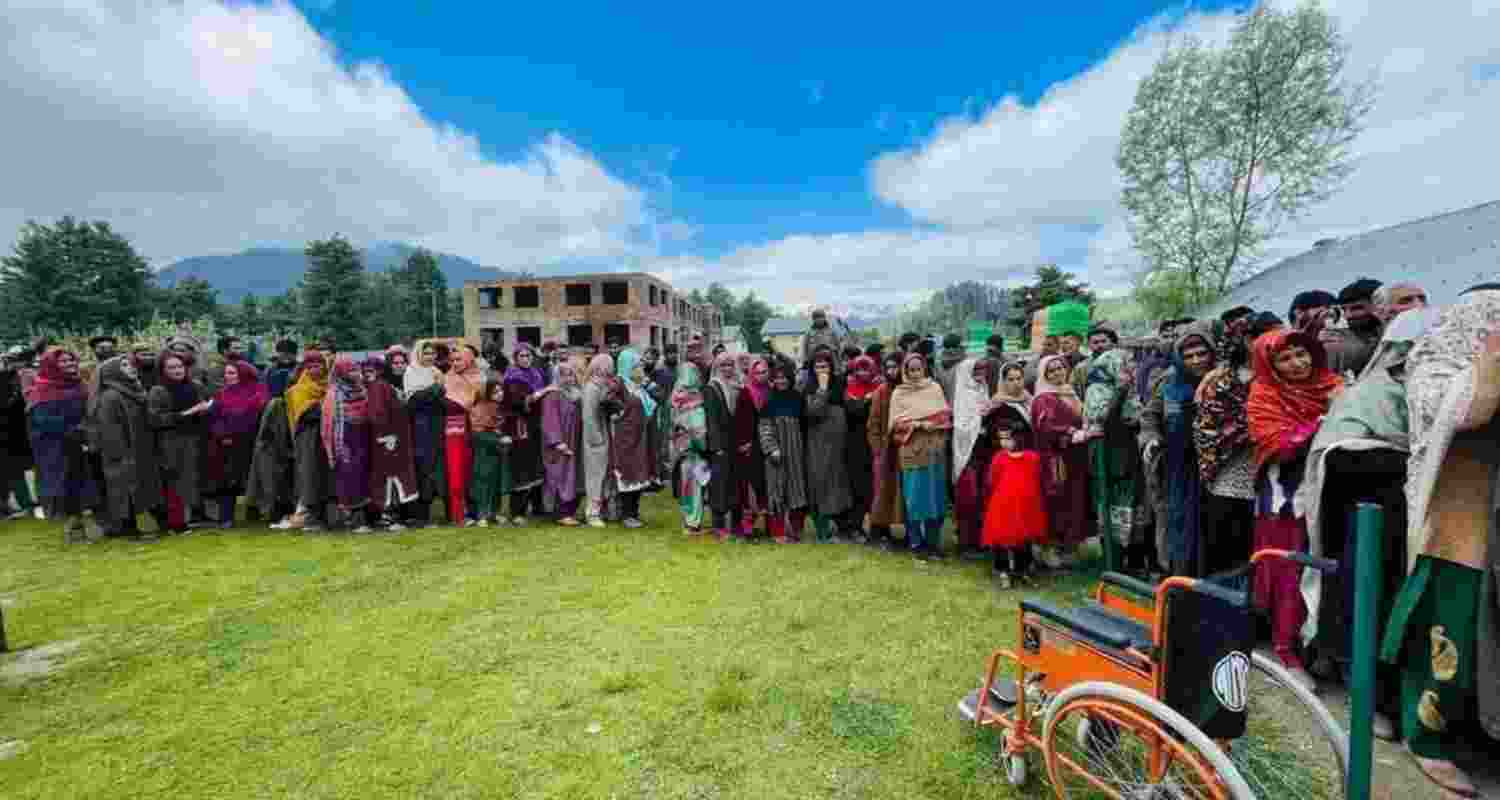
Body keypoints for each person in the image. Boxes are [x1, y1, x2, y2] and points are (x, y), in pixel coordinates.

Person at [1380, 289, 1500, 796]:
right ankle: (1428, 738)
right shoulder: (1436, 362)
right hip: (1459, 526)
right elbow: (1466, 412)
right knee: (1450, 641)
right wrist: (1493, 358)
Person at [1247, 327, 1343, 689]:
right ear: (1269, 365)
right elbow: (1278, 445)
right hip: (1287, 498)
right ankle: (1286, 651)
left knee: (1328, 569)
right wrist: (1324, 421)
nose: (1297, 362)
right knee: (1290, 573)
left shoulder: (1333, 384)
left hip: (1332, 491)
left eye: (1302, 353)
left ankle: (1319, 649)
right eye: (1284, 358)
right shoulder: (1263, 396)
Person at [1140, 322, 1217, 577]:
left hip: (1216, 467)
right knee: (1180, 523)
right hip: (1178, 467)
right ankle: (1180, 579)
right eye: (1188, 356)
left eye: (1201, 354)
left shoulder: (1223, 381)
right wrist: (1150, 438)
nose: (1195, 361)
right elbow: (1150, 416)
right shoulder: (1169, 384)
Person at [1193, 318, 1258, 579]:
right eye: (1252, 337)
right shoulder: (1221, 380)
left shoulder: (1278, 374)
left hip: (1267, 475)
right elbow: (1208, 428)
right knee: (1228, 542)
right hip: (1229, 472)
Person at [1084, 348, 1148, 574]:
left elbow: (1136, 418)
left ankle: (1134, 562)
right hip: (1108, 456)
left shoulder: (1129, 390)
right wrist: (1120, 391)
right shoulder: (1097, 389)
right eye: (1125, 363)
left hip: (1128, 453)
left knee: (1133, 509)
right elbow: (1105, 421)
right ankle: (1114, 563)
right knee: (1112, 507)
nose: (1130, 368)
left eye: (1131, 363)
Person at [27, 349, 100, 542]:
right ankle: (73, 526)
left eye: (71, 360)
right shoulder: (42, 389)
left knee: (86, 482)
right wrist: (71, 431)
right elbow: (42, 420)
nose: (70, 364)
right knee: (66, 484)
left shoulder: (79, 384)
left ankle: (89, 523)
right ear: (51, 365)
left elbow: (89, 410)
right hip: (56, 447)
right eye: (64, 361)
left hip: (81, 441)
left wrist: (85, 429)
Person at [91, 356, 164, 539]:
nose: (130, 368)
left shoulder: (136, 390)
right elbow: (109, 429)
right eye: (123, 365)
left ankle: (163, 524)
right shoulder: (111, 396)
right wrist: (121, 455)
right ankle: (127, 529)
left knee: (146, 487)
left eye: (130, 364)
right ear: (112, 372)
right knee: (125, 489)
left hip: (142, 448)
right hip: (124, 453)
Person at [1031, 354, 1093, 567]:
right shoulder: (1043, 398)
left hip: (1076, 457)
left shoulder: (1070, 393)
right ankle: (1049, 548)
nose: (1058, 373)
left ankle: (1069, 547)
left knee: (1075, 500)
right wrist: (1069, 432)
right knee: (1056, 502)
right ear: (1044, 375)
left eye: (1060, 368)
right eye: (1052, 370)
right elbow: (1045, 428)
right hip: (1056, 460)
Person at [888, 352, 952, 560]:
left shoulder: (934, 388)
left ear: (924, 368)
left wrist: (935, 423)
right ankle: (917, 545)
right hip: (911, 451)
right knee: (914, 498)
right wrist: (916, 424)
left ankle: (933, 544)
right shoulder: (899, 393)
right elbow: (894, 425)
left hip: (934, 450)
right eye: (911, 370)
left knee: (936, 498)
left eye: (918, 369)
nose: (915, 374)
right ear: (905, 371)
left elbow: (945, 415)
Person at [203, 359, 268, 530]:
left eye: (232, 373)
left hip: (251, 443)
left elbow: (258, 417)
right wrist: (223, 434)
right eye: (226, 373)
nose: (227, 376)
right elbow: (213, 417)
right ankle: (226, 517)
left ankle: (254, 512)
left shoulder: (258, 393)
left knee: (253, 478)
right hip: (227, 445)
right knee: (227, 482)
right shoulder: (221, 394)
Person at [984, 418, 1046, 588]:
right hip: (1003, 506)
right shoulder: (999, 458)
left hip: (1026, 506)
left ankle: (1022, 570)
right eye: (1001, 438)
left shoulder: (1033, 458)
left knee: (1024, 540)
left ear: (1019, 438)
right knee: (1001, 540)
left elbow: (1038, 479)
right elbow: (992, 480)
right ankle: (1003, 571)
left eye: (1008, 438)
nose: (1004, 442)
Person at [803, 349, 855, 543]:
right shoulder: (809, 387)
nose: (821, 370)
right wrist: (822, 389)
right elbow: (814, 411)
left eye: (825, 366)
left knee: (837, 486)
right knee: (820, 484)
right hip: (818, 444)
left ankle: (839, 528)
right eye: (817, 366)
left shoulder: (840, 384)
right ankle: (821, 531)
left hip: (838, 444)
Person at [363, 355, 418, 529]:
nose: (367, 373)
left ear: (380, 371)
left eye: (372, 370)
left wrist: (386, 437)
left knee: (389, 478)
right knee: (389, 478)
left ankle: (390, 516)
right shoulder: (379, 386)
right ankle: (390, 516)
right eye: (365, 370)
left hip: (388, 439)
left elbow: (379, 415)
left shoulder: (379, 387)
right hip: (388, 438)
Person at [758, 357, 808, 543]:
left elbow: (805, 427)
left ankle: (796, 532)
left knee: (796, 491)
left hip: (796, 453)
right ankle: (778, 533)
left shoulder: (798, 399)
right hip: (775, 456)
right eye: (777, 378)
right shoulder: (769, 400)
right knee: (776, 491)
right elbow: (764, 428)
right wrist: (771, 449)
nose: (781, 381)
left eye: (784, 377)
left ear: (790, 378)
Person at [320, 356, 373, 532]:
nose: (355, 374)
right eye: (350, 370)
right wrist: (333, 449)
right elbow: (328, 424)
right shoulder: (334, 393)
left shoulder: (362, 389)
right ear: (341, 373)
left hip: (362, 437)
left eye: (355, 369)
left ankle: (363, 519)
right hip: (343, 440)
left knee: (362, 476)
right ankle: (351, 520)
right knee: (347, 478)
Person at [951, 357, 995, 561]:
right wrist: (981, 416)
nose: (981, 374)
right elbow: (961, 426)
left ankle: (981, 540)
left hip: (982, 451)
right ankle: (966, 543)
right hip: (967, 454)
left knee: (983, 498)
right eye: (976, 370)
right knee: (969, 498)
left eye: (983, 370)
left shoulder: (982, 389)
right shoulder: (963, 393)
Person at [500, 345, 548, 525]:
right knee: (521, 468)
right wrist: (537, 395)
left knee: (536, 466)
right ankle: (517, 512)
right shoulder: (513, 377)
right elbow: (517, 402)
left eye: (529, 355)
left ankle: (537, 507)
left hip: (535, 426)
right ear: (515, 358)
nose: (526, 358)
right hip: (518, 427)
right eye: (522, 355)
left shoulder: (536, 374)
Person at [610, 349, 656, 528]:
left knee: (639, 474)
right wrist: (618, 412)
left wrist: (646, 383)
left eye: (640, 366)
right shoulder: (619, 382)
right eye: (636, 366)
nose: (639, 369)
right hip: (625, 438)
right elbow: (607, 400)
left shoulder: (637, 385)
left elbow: (658, 397)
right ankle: (626, 515)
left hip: (640, 437)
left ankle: (634, 513)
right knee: (627, 474)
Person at [404, 342, 448, 526]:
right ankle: (422, 516)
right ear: (418, 354)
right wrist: (436, 388)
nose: (430, 357)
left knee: (437, 466)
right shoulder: (411, 372)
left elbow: (439, 398)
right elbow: (414, 401)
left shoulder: (435, 372)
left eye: (432, 354)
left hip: (437, 423)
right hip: (421, 425)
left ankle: (440, 513)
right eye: (426, 353)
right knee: (423, 467)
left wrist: (435, 390)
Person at [866, 352, 906, 549]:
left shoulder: (907, 389)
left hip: (904, 448)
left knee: (898, 491)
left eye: (895, 367)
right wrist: (878, 449)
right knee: (882, 489)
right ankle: (877, 531)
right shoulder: (881, 391)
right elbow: (872, 423)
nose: (891, 371)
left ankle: (896, 531)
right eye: (888, 367)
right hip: (884, 449)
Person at [442, 346, 484, 526]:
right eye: (452, 360)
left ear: (468, 359)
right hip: (456, 430)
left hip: (477, 428)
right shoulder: (447, 379)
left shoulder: (480, 378)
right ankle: (460, 514)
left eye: (458, 359)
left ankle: (480, 512)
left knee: (477, 471)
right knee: (458, 470)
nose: (454, 364)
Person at [703, 351, 743, 540]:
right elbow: (711, 419)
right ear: (717, 367)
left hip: (736, 443)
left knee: (736, 483)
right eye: (723, 365)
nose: (727, 369)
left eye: (730, 365)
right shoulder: (712, 387)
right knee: (719, 484)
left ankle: (736, 526)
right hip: (720, 444)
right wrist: (716, 446)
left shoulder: (738, 385)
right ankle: (718, 527)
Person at [842, 355, 880, 543]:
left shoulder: (879, 387)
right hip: (855, 445)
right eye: (859, 369)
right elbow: (853, 410)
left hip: (875, 443)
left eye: (866, 369)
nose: (863, 373)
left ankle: (877, 527)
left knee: (874, 486)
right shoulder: (849, 388)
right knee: (857, 487)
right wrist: (866, 400)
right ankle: (855, 526)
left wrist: (864, 401)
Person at [541, 360, 583, 526]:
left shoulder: (575, 393)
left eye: (571, 374)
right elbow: (549, 420)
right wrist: (557, 442)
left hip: (575, 440)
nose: (569, 378)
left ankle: (570, 511)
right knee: (560, 476)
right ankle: (560, 513)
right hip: (560, 444)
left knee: (573, 476)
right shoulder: (553, 394)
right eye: (565, 375)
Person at [731, 356, 770, 539]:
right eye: (758, 372)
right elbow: (739, 422)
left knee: (765, 485)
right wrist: (743, 443)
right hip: (749, 447)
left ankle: (765, 525)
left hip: (766, 446)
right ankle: (747, 526)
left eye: (764, 372)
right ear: (752, 374)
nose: (762, 376)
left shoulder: (770, 391)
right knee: (749, 487)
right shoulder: (746, 393)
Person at [671, 360, 711, 534]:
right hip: (695, 453)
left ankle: (688, 521)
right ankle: (693, 524)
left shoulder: (676, 399)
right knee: (696, 489)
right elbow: (699, 432)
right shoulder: (695, 401)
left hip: (681, 453)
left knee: (686, 488)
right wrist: (705, 447)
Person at [1322, 278, 1385, 379]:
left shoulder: (1392, 334)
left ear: (1378, 306)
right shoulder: (1335, 344)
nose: (1348, 315)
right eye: (1344, 309)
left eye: (1357, 308)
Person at [466, 377, 508, 527]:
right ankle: (481, 515)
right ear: (487, 393)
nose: (500, 394)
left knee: (496, 482)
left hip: (497, 452)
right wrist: (498, 440)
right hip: (483, 453)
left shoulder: (498, 408)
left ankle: (494, 513)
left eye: (501, 390)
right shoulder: (478, 409)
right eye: (495, 391)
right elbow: (477, 434)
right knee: (483, 483)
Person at [581, 353, 616, 527]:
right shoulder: (591, 388)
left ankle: (602, 509)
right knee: (595, 477)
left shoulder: (601, 386)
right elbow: (588, 417)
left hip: (604, 435)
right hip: (595, 440)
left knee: (604, 476)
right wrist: (597, 440)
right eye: (608, 365)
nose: (610, 369)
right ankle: (592, 512)